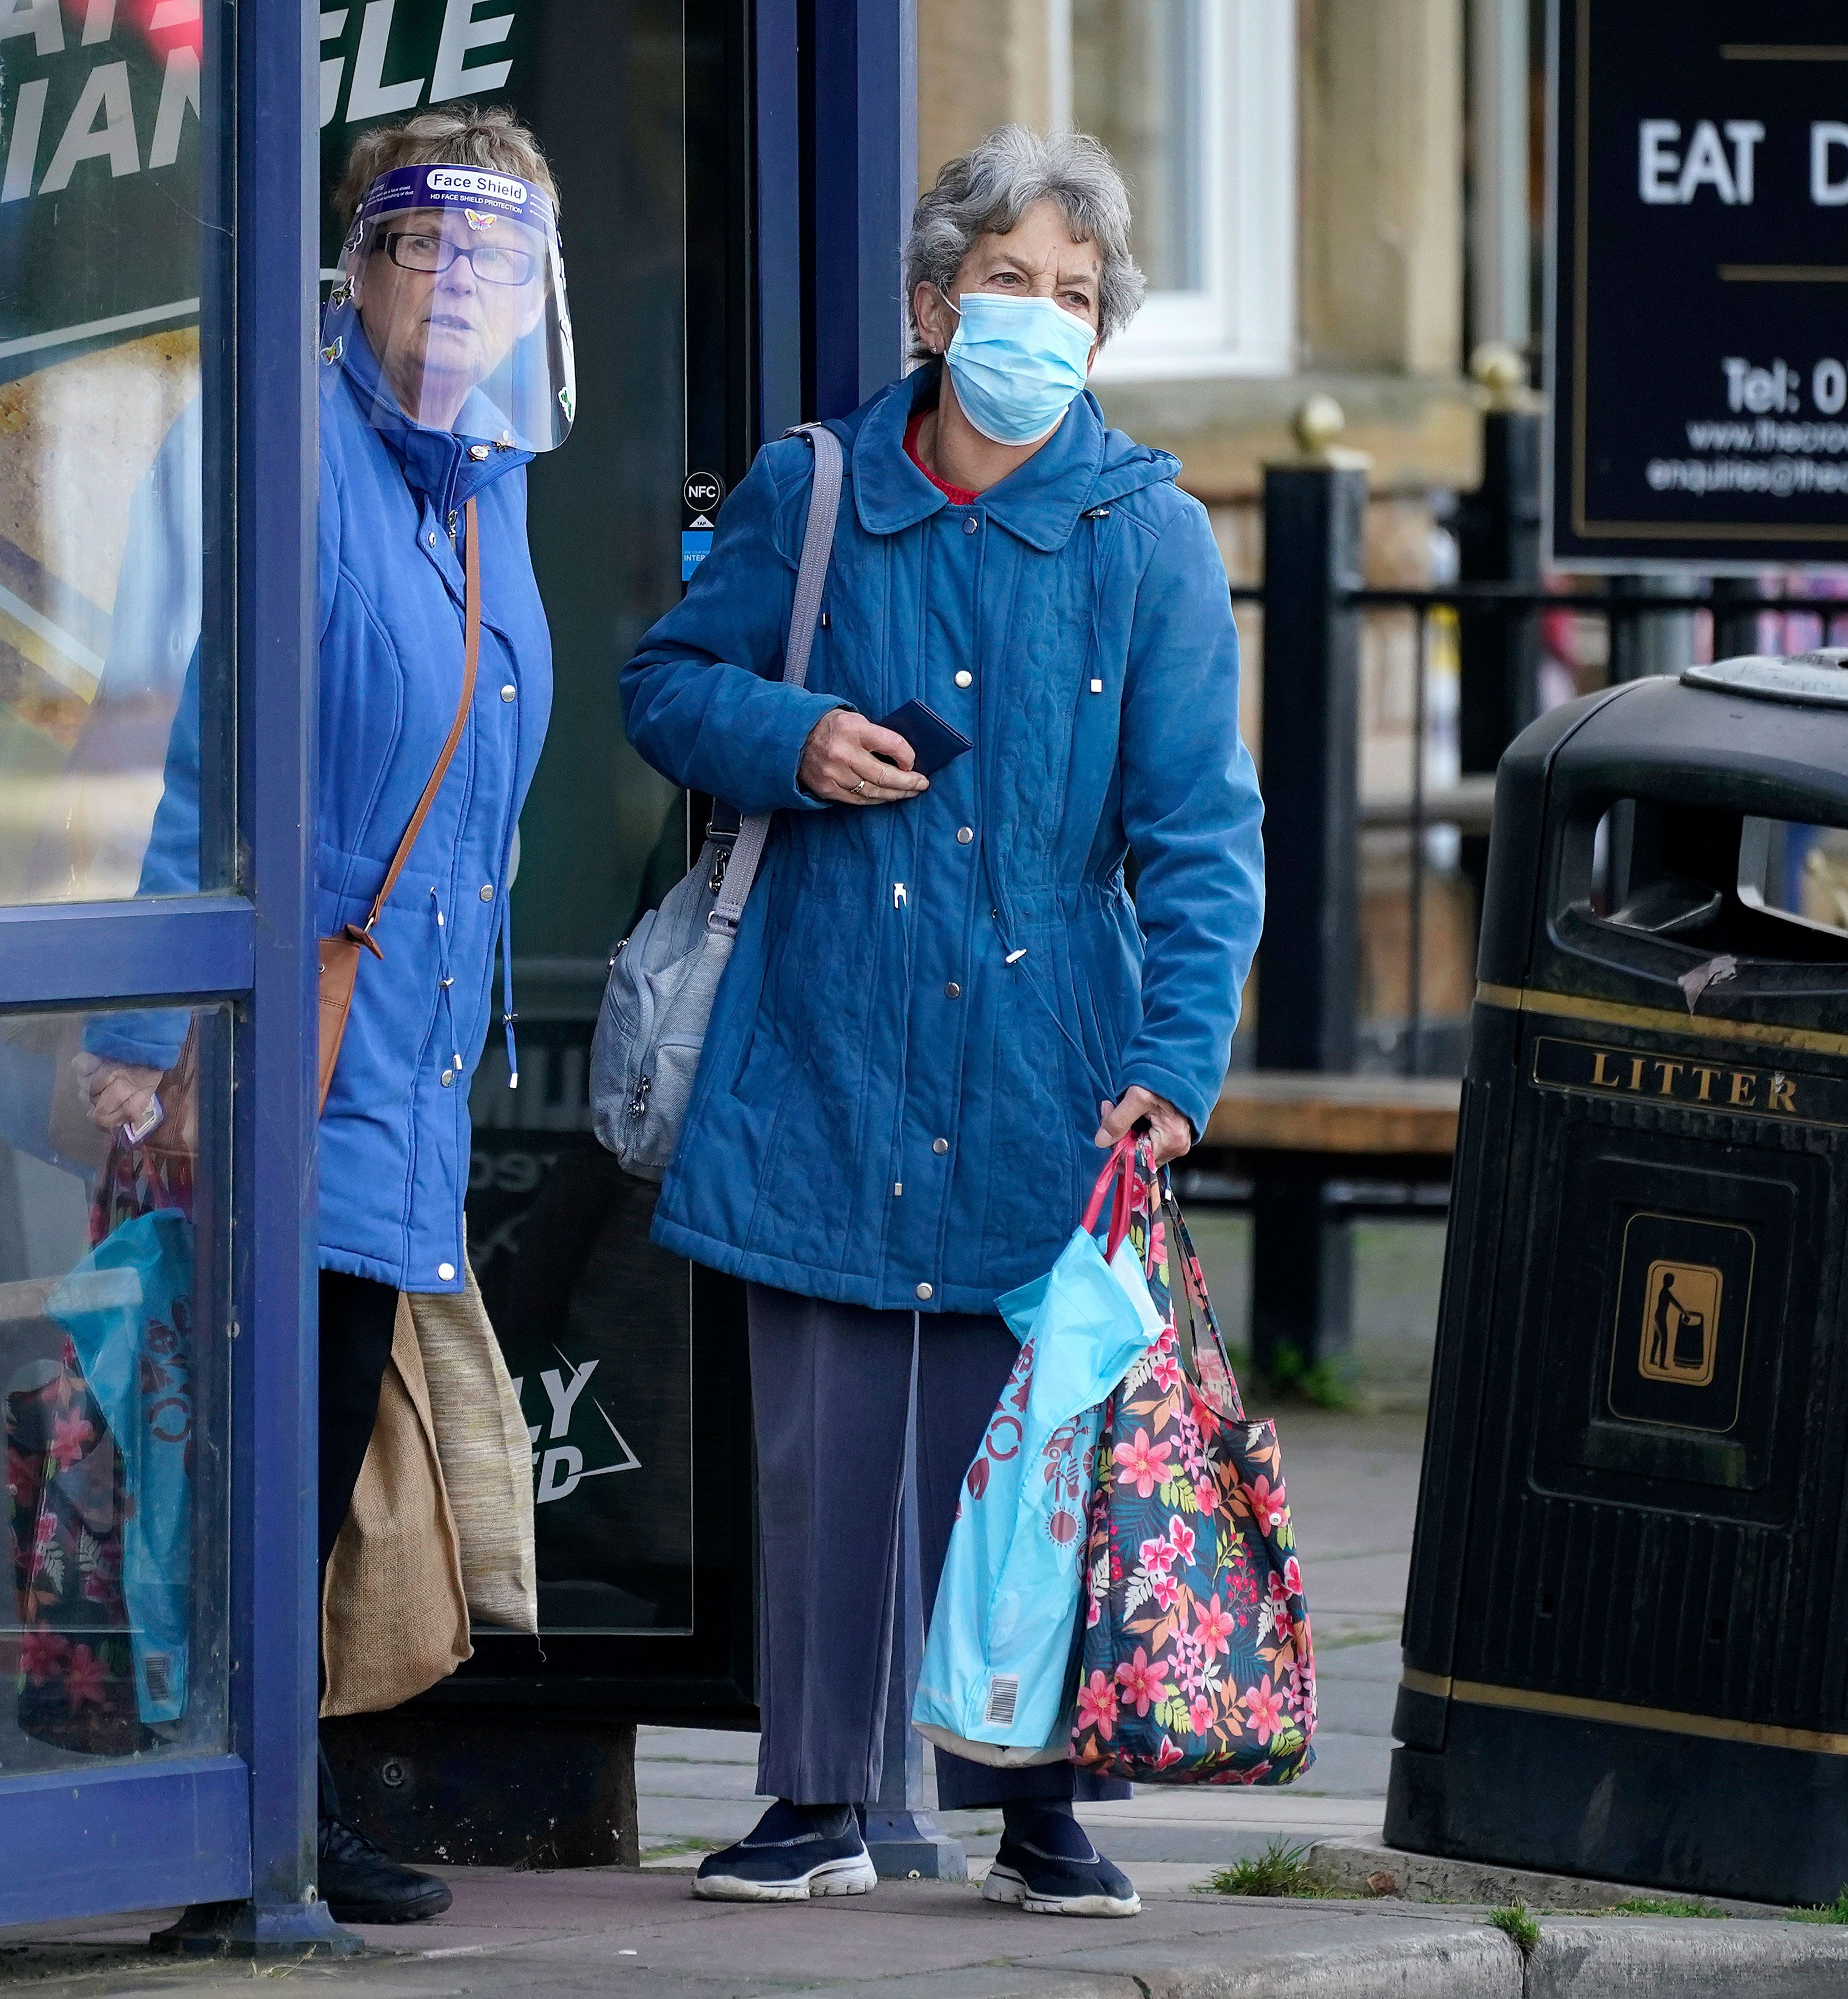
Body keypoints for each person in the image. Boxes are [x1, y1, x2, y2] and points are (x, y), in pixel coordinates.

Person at [616, 127, 1263, 1916]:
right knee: (823, 1451)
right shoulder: (808, 488)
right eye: (1006, 284)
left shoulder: (1147, 538)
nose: (1037, 321)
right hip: (819, 1028)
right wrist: (788, 739)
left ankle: (1039, 1803)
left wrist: (1174, 1063)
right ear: (929, 303)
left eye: (1073, 296)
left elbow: (1201, 829)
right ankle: (813, 1796)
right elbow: (663, 682)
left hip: (1048, 1053)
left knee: (1038, 1443)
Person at [15, 104, 573, 1927]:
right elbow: (196, 750)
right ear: (362, 262)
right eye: (427, 247)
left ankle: (275, 1802)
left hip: (395, 1051)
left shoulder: (480, 476)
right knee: (262, 1450)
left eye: (495, 258)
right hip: (280, 1038)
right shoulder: (289, 449)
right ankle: (243, 1829)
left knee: (319, 1451)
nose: (459, 286)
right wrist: (134, 1021)